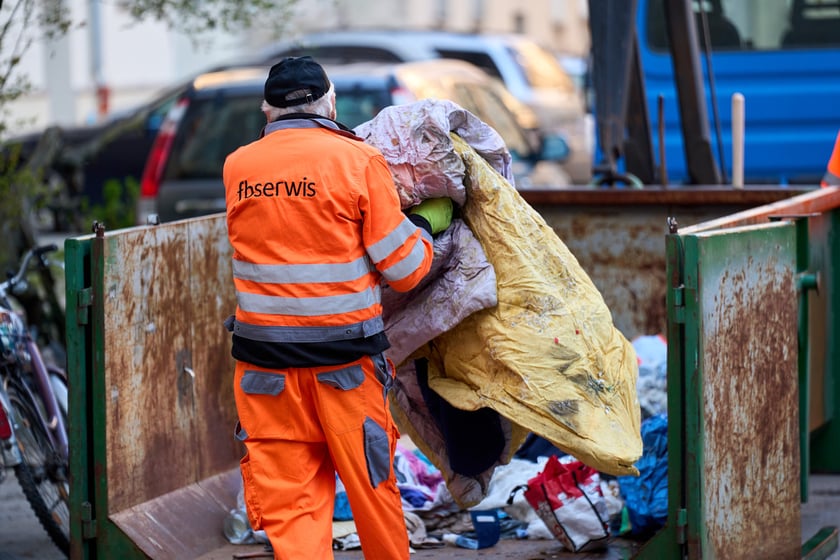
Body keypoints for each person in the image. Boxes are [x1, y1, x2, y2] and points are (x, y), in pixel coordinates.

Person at [221, 56, 452, 560]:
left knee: (293, 510)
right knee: (372, 493)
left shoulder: (238, 166)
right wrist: (427, 224)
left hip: (265, 373)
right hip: (344, 369)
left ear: (267, 110)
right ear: (329, 102)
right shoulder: (357, 161)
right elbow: (406, 269)